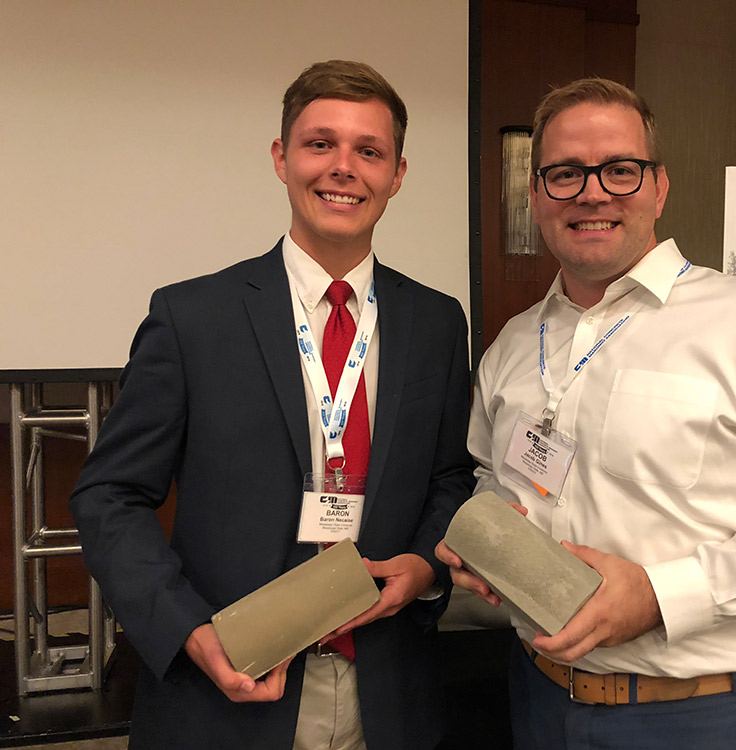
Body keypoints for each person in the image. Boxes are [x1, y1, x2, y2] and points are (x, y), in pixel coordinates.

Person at [436, 77, 736, 750]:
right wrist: (483, 541)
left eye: (619, 170)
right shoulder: (510, 345)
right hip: (535, 700)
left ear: (659, 188)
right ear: (536, 198)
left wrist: (660, 594)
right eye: (564, 174)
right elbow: (493, 481)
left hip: (703, 718)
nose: (592, 192)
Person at [71, 60, 475, 750]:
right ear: (281, 158)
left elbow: (449, 478)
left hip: (391, 696)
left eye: (368, 151)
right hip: (228, 697)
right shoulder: (192, 317)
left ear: (397, 174)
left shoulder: (437, 322)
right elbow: (111, 495)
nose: (343, 167)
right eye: (321, 144)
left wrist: (426, 564)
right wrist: (190, 633)